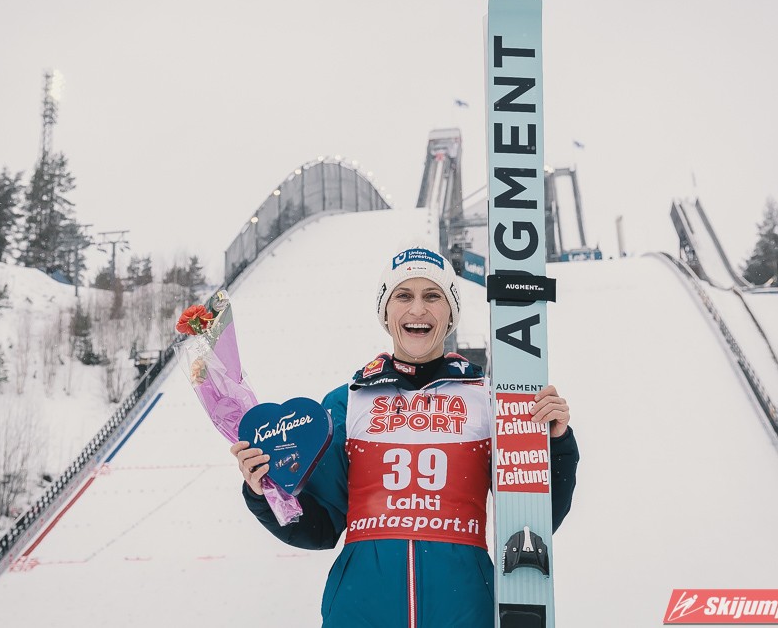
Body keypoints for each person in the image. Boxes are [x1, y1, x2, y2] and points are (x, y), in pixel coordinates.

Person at [230, 246, 579, 627]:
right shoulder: (347, 403)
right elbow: (320, 527)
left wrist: (556, 443)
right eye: (403, 296)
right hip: (360, 614)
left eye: (432, 296)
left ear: (451, 314)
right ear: (385, 312)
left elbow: (532, 520)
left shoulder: (488, 400)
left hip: (463, 612)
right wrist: (266, 491)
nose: (417, 309)